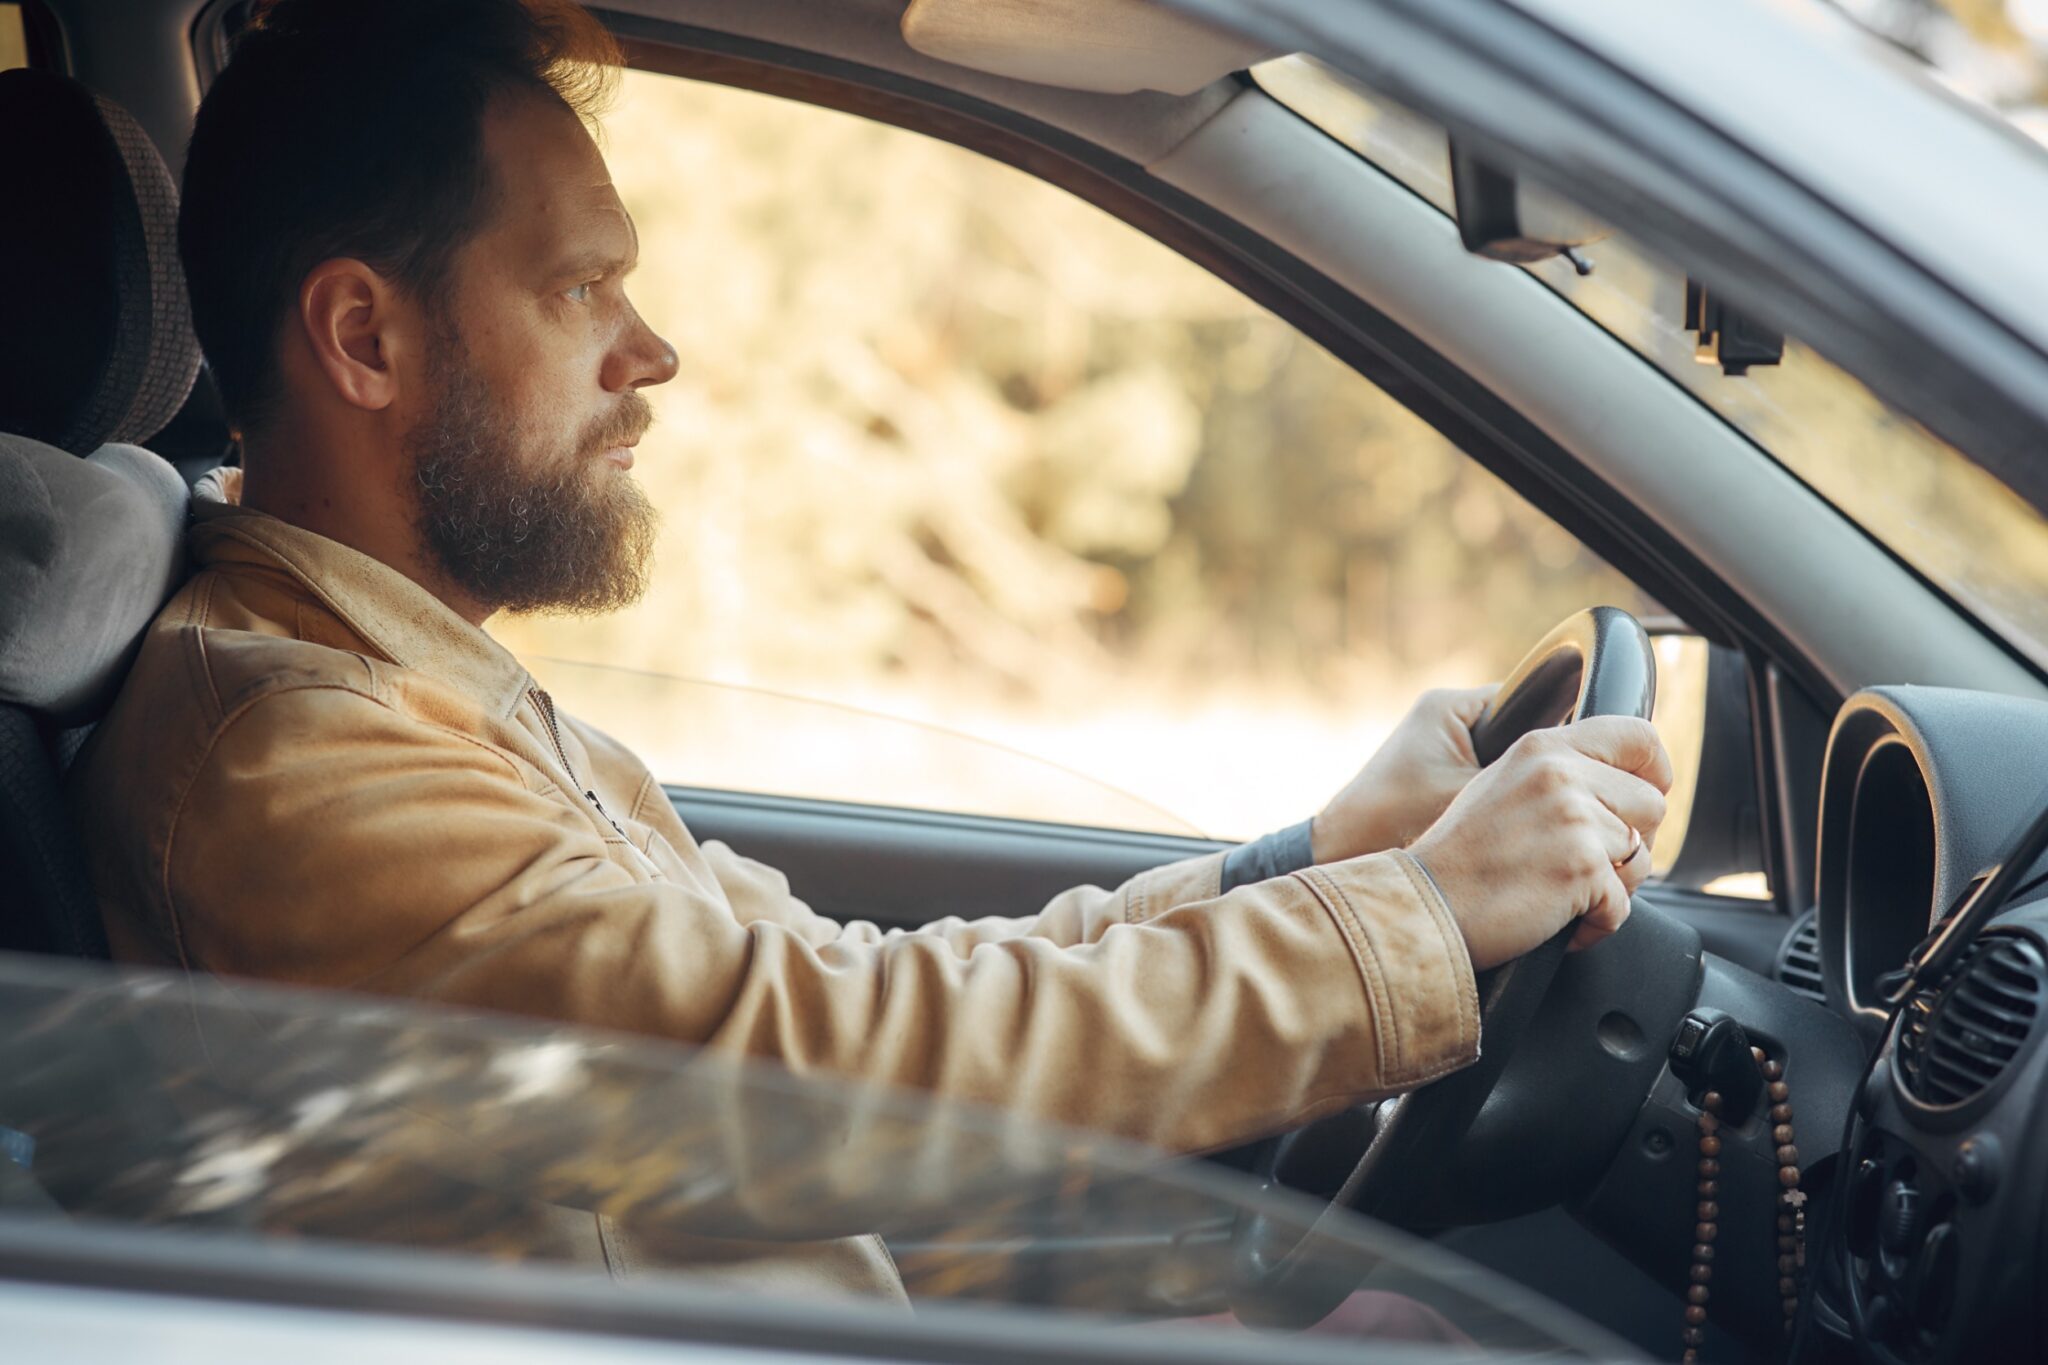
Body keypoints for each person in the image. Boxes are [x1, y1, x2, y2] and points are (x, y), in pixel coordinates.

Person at [69, 0, 1669, 1301]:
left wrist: (1315, 858)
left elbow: (841, 986)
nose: (655, 354)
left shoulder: (410, 684)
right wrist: (1418, 918)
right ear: (366, 338)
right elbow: (817, 1083)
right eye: (583, 289)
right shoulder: (293, 758)